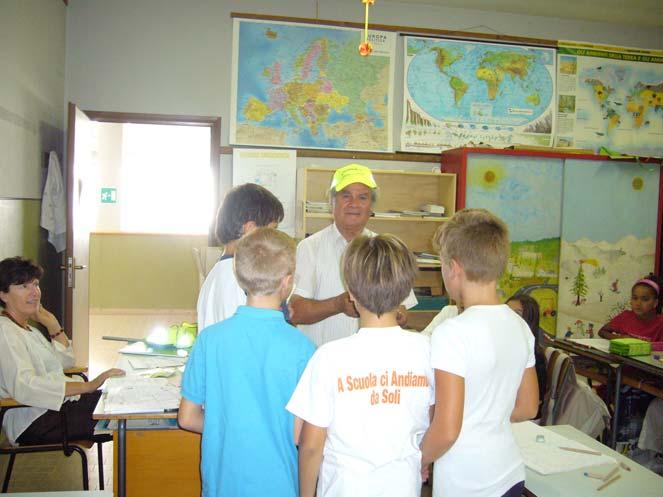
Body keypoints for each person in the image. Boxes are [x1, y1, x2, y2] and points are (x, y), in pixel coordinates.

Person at [287, 234, 434, 497]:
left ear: (351, 294)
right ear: (405, 292)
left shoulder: (329, 357)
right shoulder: (428, 351)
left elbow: (309, 445)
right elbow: (434, 420)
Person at [178, 228, 315, 497]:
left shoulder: (209, 340)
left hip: (222, 485)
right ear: (287, 283)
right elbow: (301, 435)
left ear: (240, 278)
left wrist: (225, 425)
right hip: (279, 485)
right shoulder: (303, 349)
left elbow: (187, 417)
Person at [421, 209, 539, 497]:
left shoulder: (452, 333)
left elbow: (447, 430)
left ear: (453, 268)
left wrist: (418, 459)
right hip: (509, 472)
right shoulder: (519, 325)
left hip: (468, 482)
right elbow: (527, 407)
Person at [0, 256, 124, 446]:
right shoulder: (5, 331)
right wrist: (88, 386)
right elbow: (25, 386)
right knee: (123, 414)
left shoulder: (27, 329)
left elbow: (66, 364)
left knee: (121, 400)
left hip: (55, 408)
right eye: (23, 286)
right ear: (3, 294)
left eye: (35, 284)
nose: (34, 293)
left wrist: (52, 324)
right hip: (33, 420)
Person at [289, 163, 417, 346]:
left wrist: (400, 315)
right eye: (346, 195)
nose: (354, 204)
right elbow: (295, 311)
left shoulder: (384, 249)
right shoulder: (309, 248)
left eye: (362, 197)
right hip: (322, 361)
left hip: (371, 364)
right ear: (332, 202)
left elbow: (404, 309)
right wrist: (337, 305)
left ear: (371, 206)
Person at [196, 183, 284, 331]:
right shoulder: (238, 280)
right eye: (272, 230)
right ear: (250, 230)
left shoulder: (218, 273)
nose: (274, 238)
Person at [506, 294, 547, 417]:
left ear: (528, 321)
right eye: (506, 311)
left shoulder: (535, 359)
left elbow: (528, 410)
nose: (508, 317)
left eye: (517, 314)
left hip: (519, 421)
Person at [598, 274, 663, 342]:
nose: (638, 303)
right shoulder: (625, 316)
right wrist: (620, 338)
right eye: (635, 298)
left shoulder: (661, 323)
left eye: (645, 299)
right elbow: (602, 331)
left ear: (655, 303)